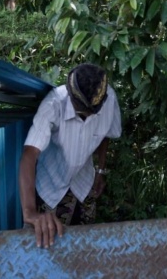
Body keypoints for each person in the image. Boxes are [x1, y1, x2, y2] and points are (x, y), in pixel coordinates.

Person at [19, 63, 122, 248]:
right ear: (69, 93)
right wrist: (30, 212)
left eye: (91, 113)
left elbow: (106, 134)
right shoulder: (53, 104)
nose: (86, 116)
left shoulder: (109, 99)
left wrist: (100, 170)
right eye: (81, 110)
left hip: (85, 182)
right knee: (51, 243)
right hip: (51, 186)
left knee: (86, 244)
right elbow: (29, 154)